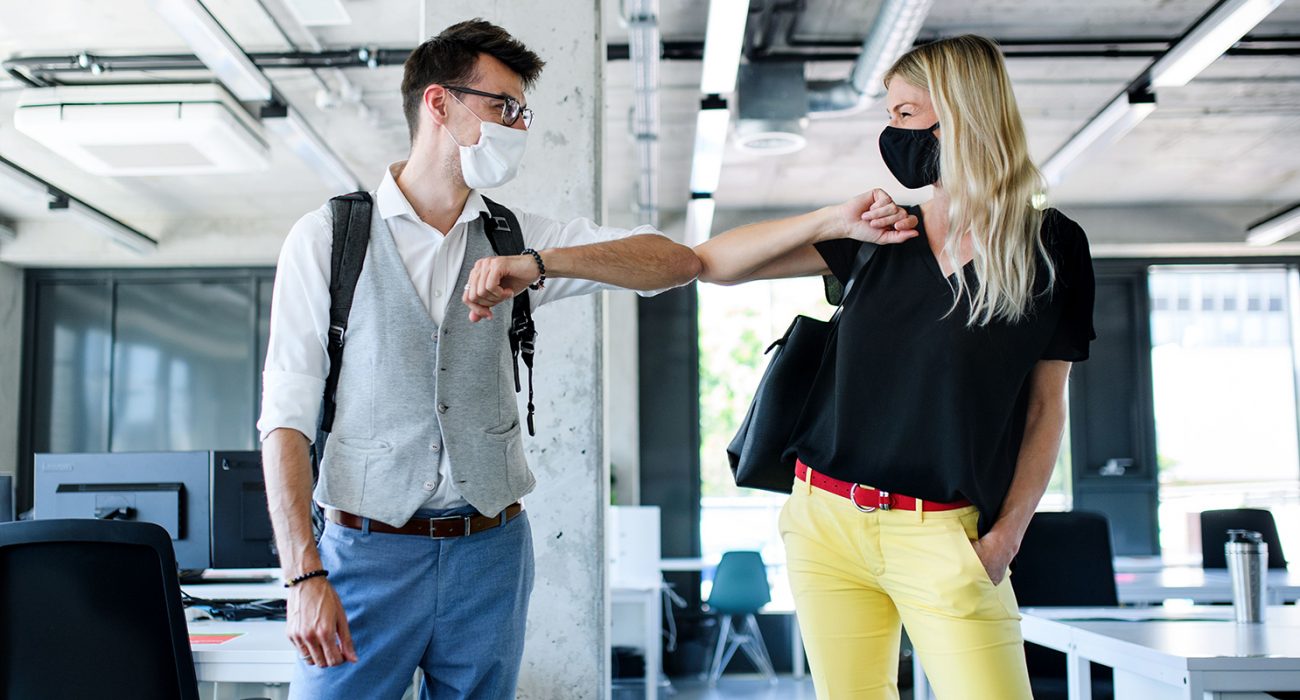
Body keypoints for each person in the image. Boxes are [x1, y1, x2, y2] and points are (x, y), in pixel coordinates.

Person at [258, 19, 700, 700]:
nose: (517, 126)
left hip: (489, 553)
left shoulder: (517, 237)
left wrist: (543, 263)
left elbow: (672, 261)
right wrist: (301, 575)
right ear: (439, 103)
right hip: (363, 554)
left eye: (522, 112)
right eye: (503, 107)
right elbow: (283, 422)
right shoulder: (327, 239)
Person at [695, 34, 1095, 700]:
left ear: (962, 114)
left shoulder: (1051, 247)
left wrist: (1006, 538)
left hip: (944, 532)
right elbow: (715, 265)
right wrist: (830, 219)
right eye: (891, 114)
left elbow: (1047, 405)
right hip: (824, 522)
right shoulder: (882, 233)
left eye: (906, 114)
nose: (892, 131)